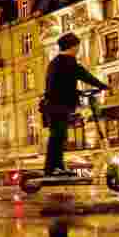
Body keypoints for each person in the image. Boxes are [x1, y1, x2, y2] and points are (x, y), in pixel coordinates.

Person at [42, 32, 109, 176]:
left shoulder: (55, 62)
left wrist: (77, 92)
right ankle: (52, 168)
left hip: (53, 105)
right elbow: (84, 75)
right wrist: (103, 86)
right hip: (58, 105)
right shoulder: (68, 62)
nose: (78, 49)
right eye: (77, 46)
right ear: (72, 47)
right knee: (58, 136)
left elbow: (60, 85)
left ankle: (55, 167)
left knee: (58, 136)